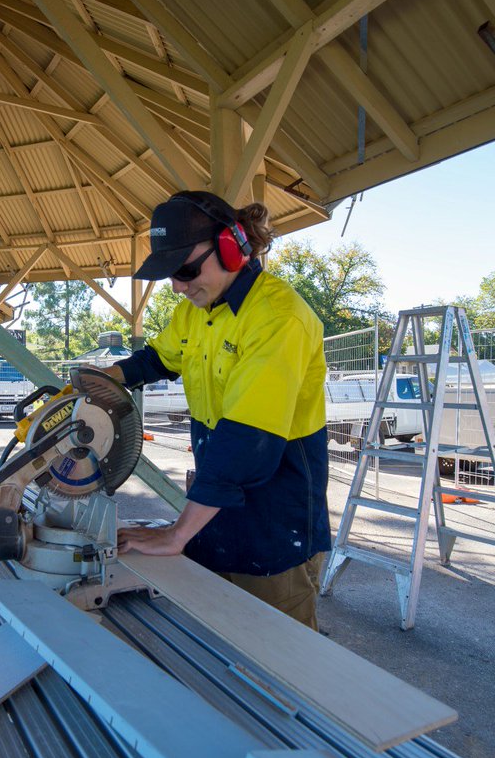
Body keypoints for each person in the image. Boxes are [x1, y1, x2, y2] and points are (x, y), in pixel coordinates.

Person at [106, 191, 331, 628]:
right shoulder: (196, 312)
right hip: (213, 516)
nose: (177, 285)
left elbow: (245, 442)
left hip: (273, 529)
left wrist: (176, 533)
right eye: (170, 274)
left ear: (233, 246)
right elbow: (155, 359)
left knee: (279, 668)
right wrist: (94, 383)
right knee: (218, 651)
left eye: (186, 269)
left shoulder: (277, 318)